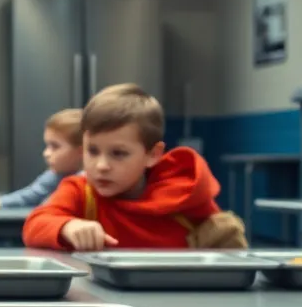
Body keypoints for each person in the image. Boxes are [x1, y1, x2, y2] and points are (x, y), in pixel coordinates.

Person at [23, 84, 234, 251]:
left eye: (118, 153)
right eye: (93, 151)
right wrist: (66, 226)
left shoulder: (183, 193)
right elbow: (34, 225)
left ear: (152, 155)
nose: (101, 166)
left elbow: (223, 240)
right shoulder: (80, 191)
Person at [0, 109, 82, 211]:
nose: (46, 153)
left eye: (55, 146)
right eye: (47, 146)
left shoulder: (90, 182)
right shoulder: (54, 175)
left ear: (81, 151)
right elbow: (31, 194)